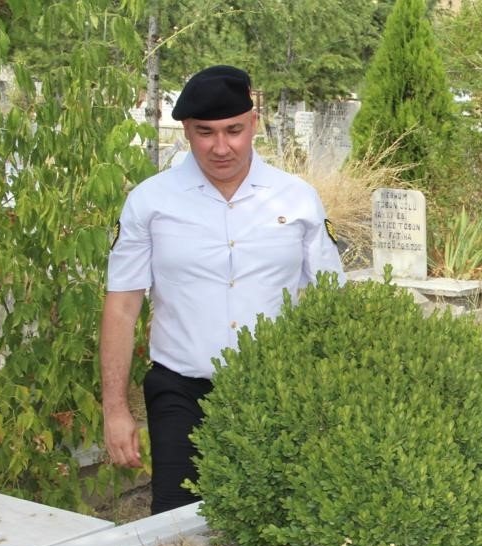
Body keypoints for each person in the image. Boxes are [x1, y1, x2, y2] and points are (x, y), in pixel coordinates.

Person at [101, 65, 345, 514]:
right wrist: (115, 409)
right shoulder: (150, 201)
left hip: (276, 389)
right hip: (181, 390)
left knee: (276, 520)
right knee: (175, 523)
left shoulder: (297, 198)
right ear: (186, 131)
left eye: (233, 130)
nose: (220, 147)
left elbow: (331, 301)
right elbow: (122, 306)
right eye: (204, 132)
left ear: (254, 122)